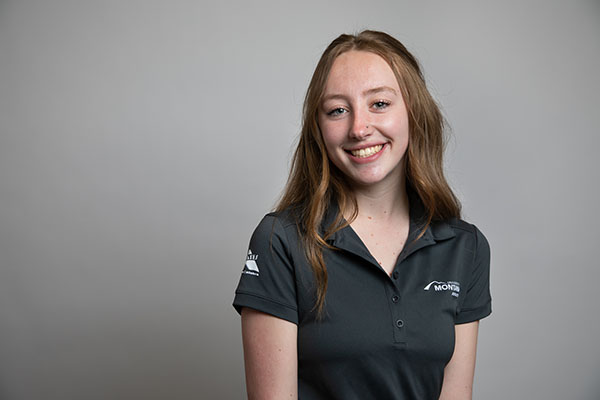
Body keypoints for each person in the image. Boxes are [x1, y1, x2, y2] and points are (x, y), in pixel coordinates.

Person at [232, 30, 492, 400]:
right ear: (319, 130)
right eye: (338, 110)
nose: (358, 128)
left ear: (414, 112)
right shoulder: (281, 241)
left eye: (380, 104)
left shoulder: (464, 247)